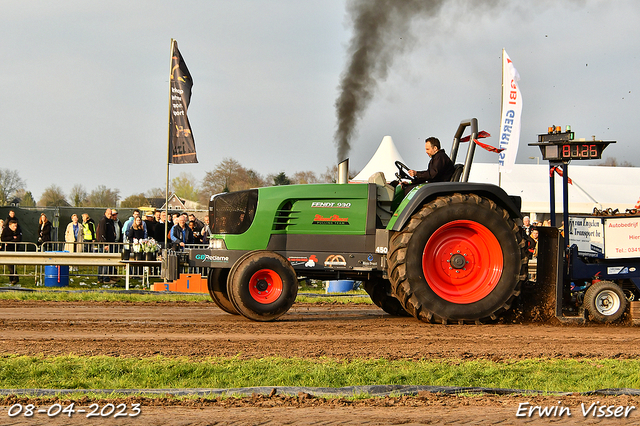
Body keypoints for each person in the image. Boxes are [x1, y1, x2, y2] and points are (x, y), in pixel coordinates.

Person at [97, 208, 116, 284]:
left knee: (104, 261)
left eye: (111, 214)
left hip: (109, 243)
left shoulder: (110, 221)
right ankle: (105, 278)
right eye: (108, 214)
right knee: (105, 261)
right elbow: (102, 233)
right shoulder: (103, 221)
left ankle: (101, 278)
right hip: (105, 244)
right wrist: (105, 244)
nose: (110, 215)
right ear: (105, 213)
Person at [1, 219, 22, 284]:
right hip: (8, 250)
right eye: (13, 226)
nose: (15, 228)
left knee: (13, 264)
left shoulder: (18, 229)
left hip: (15, 249)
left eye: (15, 226)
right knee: (10, 265)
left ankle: (13, 278)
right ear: (10, 225)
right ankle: (14, 278)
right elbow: (3, 239)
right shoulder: (6, 230)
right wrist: (12, 238)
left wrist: (10, 241)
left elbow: (19, 239)